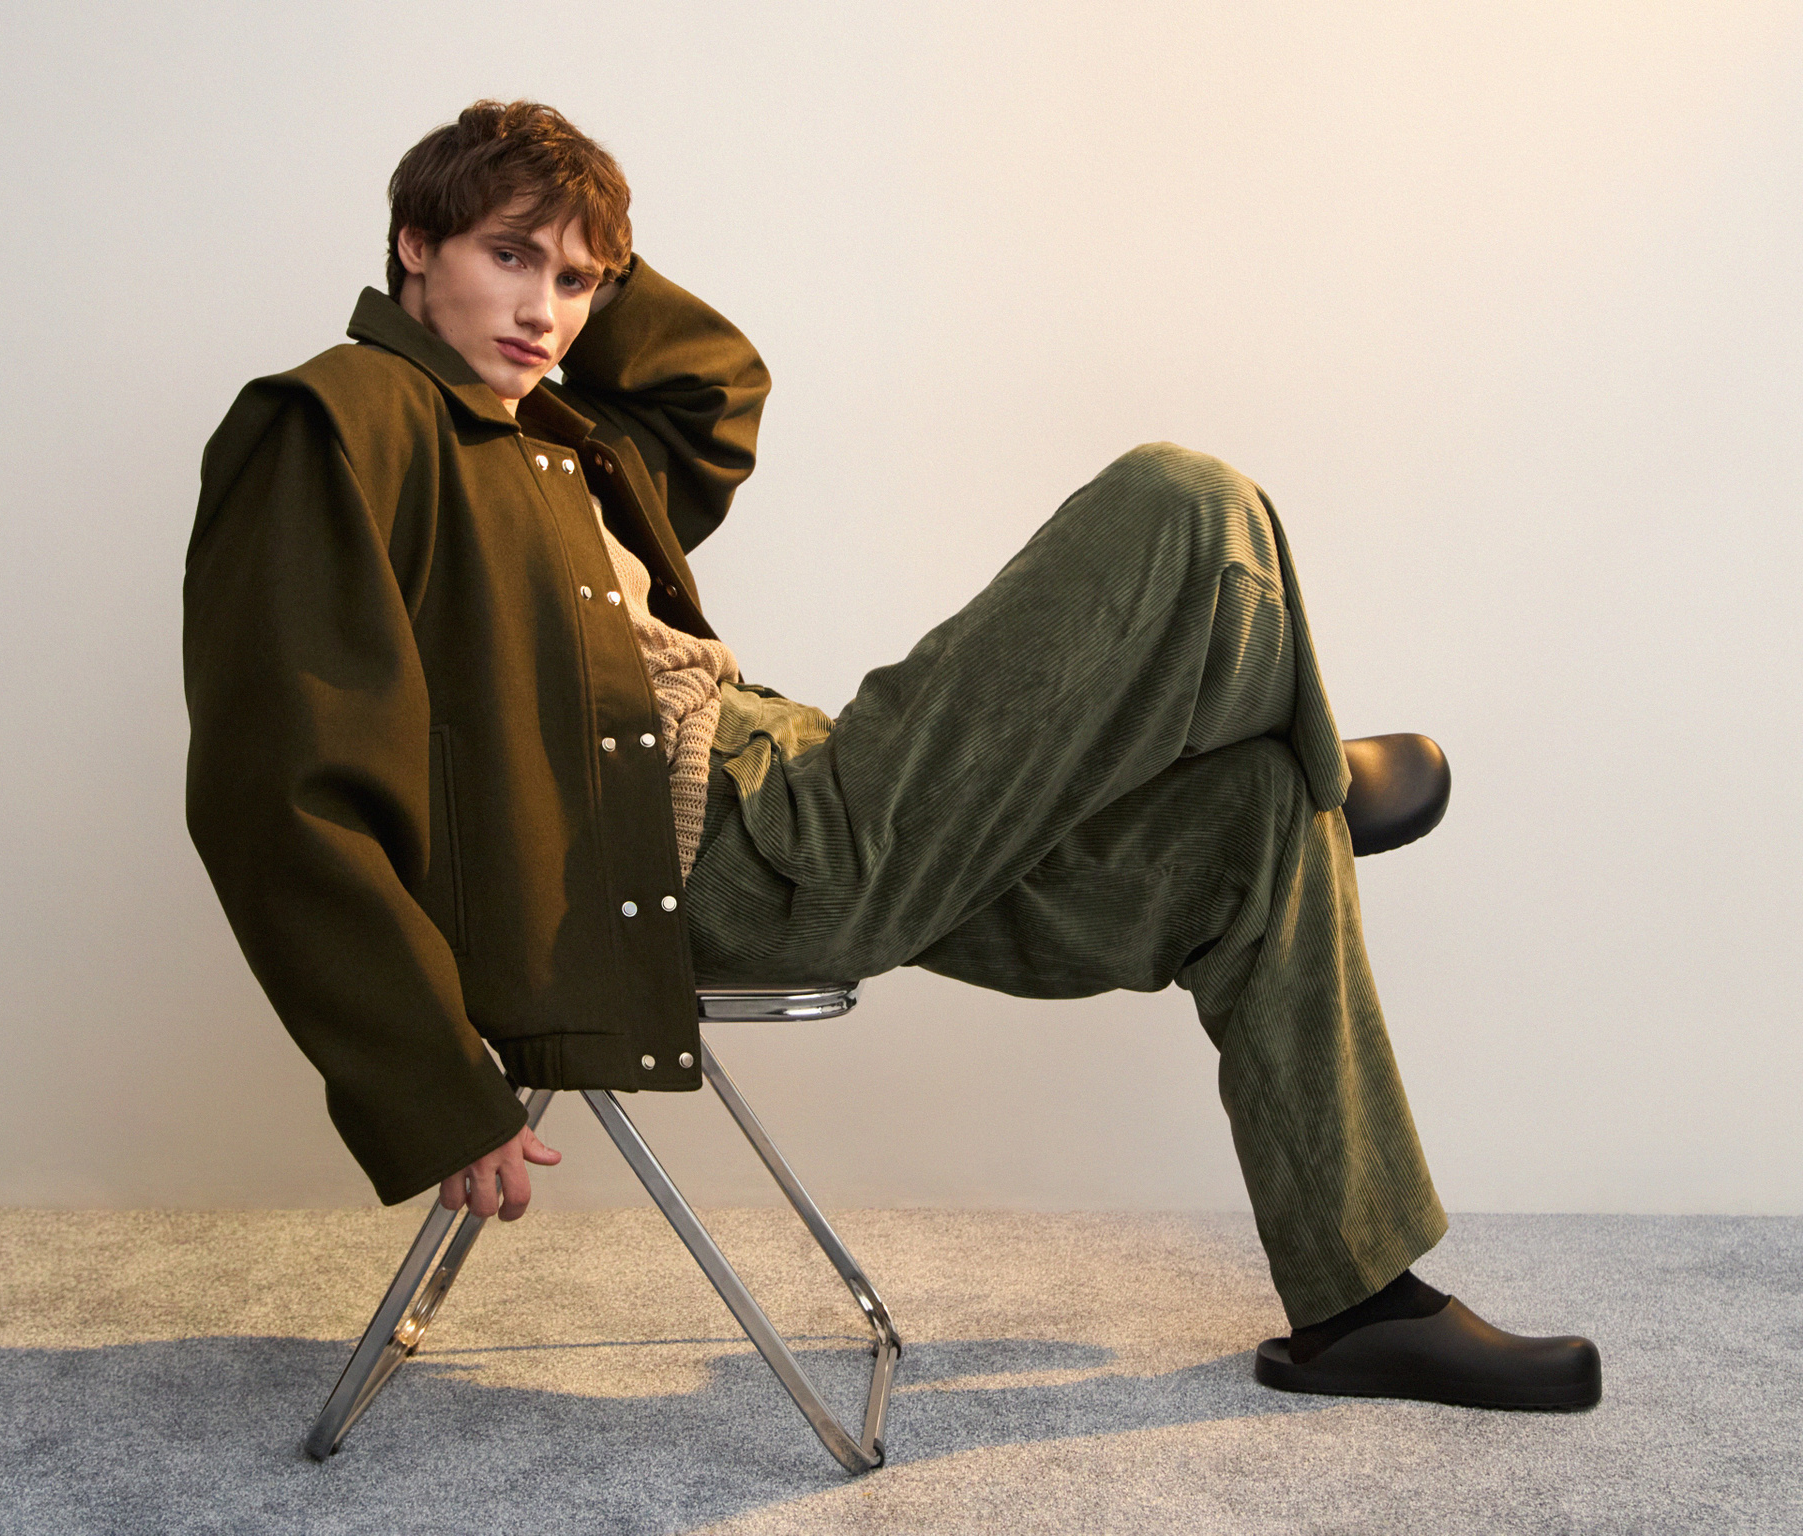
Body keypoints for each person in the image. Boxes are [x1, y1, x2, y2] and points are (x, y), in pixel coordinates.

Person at [184, 99, 1599, 1411]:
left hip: (792, 777)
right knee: (1181, 499)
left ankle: (1362, 1306)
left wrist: (575, 237)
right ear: (412, 244)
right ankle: (1303, 740)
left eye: (576, 281)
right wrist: (431, 1089)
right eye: (508, 259)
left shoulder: (544, 433)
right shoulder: (338, 423)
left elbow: (713, 391)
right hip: (716, 851)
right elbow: (280, 798)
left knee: (1261, 824)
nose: (545, 312)